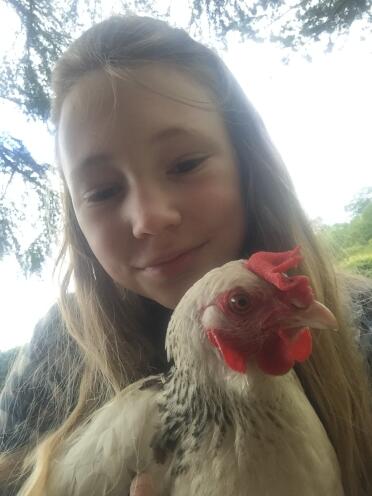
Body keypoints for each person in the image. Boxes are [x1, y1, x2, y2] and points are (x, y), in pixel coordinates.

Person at [0, 14, 371, 496]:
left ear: (245, 162)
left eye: (186, 163)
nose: (149, 218)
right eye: (105, 190)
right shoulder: (58, 350)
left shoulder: (363, 327)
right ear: (77, 219)